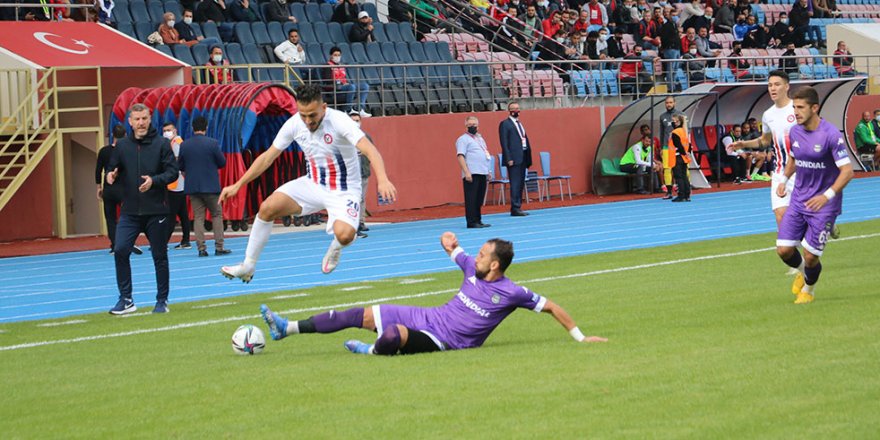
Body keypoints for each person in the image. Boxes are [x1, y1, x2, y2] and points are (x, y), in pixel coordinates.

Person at [258, 232, 608, 355]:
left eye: (484, 255)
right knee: (356, 314)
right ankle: (285, 328)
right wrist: (447, 240)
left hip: (448, 341)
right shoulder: (472, 267)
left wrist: (580, 338)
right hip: (429, 317)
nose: (477, 256)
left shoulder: (512, 292)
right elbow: (451, 247)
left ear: (497, 266)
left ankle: (370, 352)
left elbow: (552, 307)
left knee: (392, 335)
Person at [218, 84, 397, 282]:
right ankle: (248, 265)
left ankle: (336, 247)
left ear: (324, 107)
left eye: (312, 115)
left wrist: (383, 179)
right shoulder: (294, 124)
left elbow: (370, 150)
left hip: (344, 190)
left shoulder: (339, 121)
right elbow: (268, 157)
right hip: (312, 184)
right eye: (303, 115)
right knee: (267, 207)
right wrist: (237, 185)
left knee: (345, 235)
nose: (307, 121)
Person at [776, 86, 853, 304]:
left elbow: (847, 172)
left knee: (811, 256)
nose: (796, 112)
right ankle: (804, 273)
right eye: (794, 107)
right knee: (783, 250)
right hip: (799, 200)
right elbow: (793, 159)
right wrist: (783, 180)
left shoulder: (830, 135)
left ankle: (809, 290)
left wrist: (826, 196)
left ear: (815, 108)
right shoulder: (795, 131)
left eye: (800, 107)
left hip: (824, 205)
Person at [104, 104, 178, 315]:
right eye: (136, 119)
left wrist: (154, 181)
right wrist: (110, 175)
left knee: (159, 255)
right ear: (130, 121)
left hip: (157, 210)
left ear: (150, 118)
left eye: (144, 118)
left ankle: (162, 300)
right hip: (130, 211)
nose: (141, 122)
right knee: (120, 249)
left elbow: (173, 172)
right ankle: (126, 299)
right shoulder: (123, 146)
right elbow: (112, 167)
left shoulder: (162, 144)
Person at [729, 70, 798, 230]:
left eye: (777, 84)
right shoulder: (768, 115)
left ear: (787, 86)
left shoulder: (798, 108)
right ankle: (796, 252)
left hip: (802, 172)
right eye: (770, 85)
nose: (772, 88)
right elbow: (764, 141)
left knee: (801, 219)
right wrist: (743, 144)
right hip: (780, 172)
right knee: (781, 218)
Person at [178, 116, 230, 257]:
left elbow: (180, 165)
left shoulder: (185, 145)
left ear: (192, 128)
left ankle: (201, 248)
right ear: (206, 127)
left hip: (193, 187)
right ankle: (219, 247)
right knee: (216, 214)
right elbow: (222, 162)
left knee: (198, 217)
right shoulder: (212, 143)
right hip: (211, 186)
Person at [96, 125, 144, 256]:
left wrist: (99, 187)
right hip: (124, 189)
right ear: (125, 135)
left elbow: (98, 170)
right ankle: (128, 241)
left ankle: (114, 245)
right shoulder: (128, 150)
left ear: (112, 135)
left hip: (109, 188)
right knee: (129, 216)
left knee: (110, 218)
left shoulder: (104, 151)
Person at [456, 116, 492, 228]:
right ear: (466, 126)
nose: (472, 126)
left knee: (479, 198)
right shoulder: (463, 139)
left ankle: (478, 219)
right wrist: (466, 172)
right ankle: (471, 221)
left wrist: (488, 171)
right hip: (472, 172)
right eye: (470, 125)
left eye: (474, 124)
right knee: (471, 198)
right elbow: (460, 156)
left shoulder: (480, 139)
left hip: (482, 172)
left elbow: (486, 154)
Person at [498, 101, 532, 217]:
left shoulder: (520, 124)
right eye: (514, 108)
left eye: (518, 108)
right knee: (515, 183)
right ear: (509, 110)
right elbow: (504, 143)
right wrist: (508, 158)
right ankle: (515, 207)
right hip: (513, 158)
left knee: (520, 183)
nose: (517, 110)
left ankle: (518, 206)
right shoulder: (505, 124)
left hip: (523, 156)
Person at [162, 123, 191, 250]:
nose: (166, 132)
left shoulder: (177, 143)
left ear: (175, 130)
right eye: (164, 130)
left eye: (168, 130)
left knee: (171, 214)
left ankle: (164, 242)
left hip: (176, 184)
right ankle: (186, 240)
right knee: (182, 213)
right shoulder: (174, 142)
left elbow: (177, 161)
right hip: (178, 184)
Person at [321, 46, 371, 117]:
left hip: (344, 86)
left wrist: (345, 83)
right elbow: (328, 81)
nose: (337, 57)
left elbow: (344, 78)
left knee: (365, 86)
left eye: (339, 55)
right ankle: (348, 109)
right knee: (352, 87)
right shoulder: (327, 66)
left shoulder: (341, 65)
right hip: (335, 88)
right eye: (335, 55)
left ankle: (361, 109)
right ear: (331, 56)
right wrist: (341, 83)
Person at [348, 109, 370, 238]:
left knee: (361, 198)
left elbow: (372, 153)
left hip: (362, 172)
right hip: (349, 175)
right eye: (353, 121)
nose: (355, 123)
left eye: (357, 121)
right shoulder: (344, 137)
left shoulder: (365, 137)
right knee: (352, 199)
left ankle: (359, 223)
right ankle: (352, 226)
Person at [659, 96, 683, 200]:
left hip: (677, 147)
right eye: (667, 103)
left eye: (670, 102)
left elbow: (685, 131)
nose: (669, 104)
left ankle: (683, 188)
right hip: (666, 146)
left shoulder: (680, 115)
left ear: (674, 103)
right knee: (667, 169)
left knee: (680, 167)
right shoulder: (662, 116)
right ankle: (669, 192)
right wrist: (661, 147)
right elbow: (661, 132)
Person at [669, 114, 691, 202]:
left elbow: (678, 145)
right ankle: (687, 195)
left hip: (677, 157)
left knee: (679, 177)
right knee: (684, 176)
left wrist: (683, 153)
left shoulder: (675, 132)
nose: (673, 123)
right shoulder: (684, 131)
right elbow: (689, 144)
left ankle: (681, 195)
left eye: (674, 121)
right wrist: (687, 153)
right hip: (684, 157)